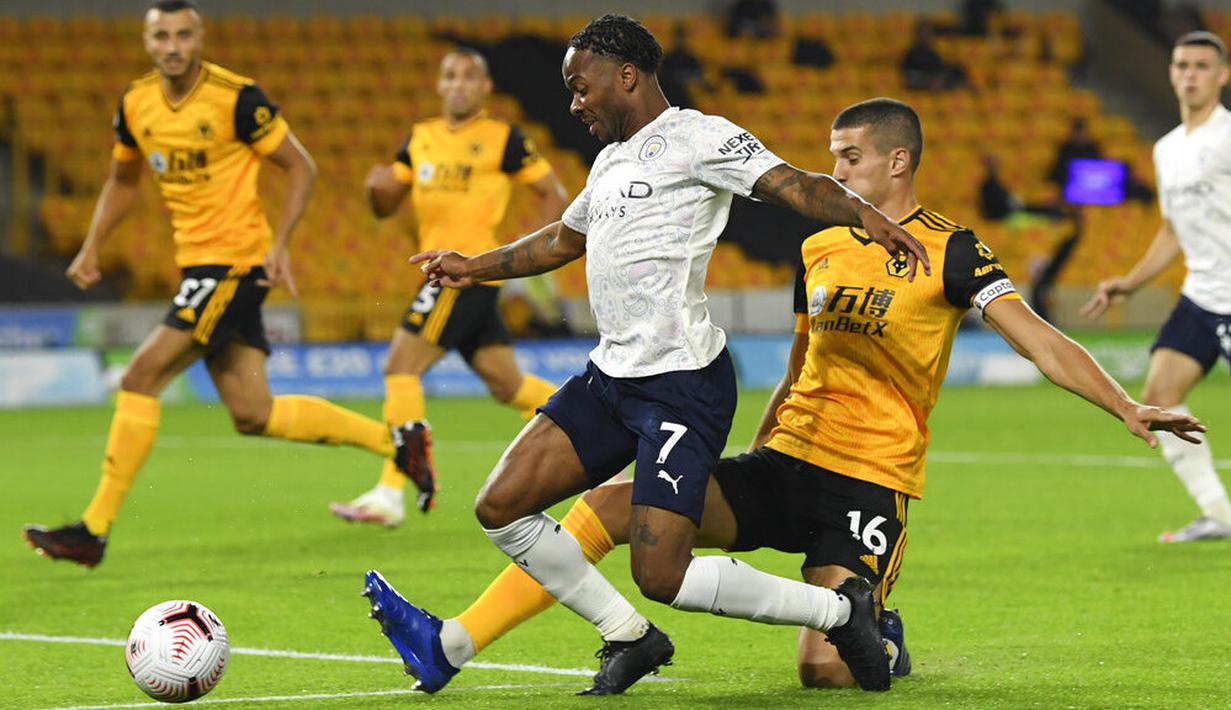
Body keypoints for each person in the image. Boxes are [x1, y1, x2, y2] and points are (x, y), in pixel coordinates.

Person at [356, 97, 1205, 695]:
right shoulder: (823, 245)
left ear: (896, 160)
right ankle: (460, 641)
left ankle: (877, 626)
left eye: (849, 157)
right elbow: (802, 358)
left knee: (820, 671)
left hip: (869, 483)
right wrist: (761, 444)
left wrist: (1125, 405)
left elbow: (1039, 338)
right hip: (784, 461)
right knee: (617, 511)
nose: (831, 169)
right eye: (829, 155)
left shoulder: (951, 251)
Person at [361, 13, 936, 696]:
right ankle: (629, 636)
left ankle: (840, 613)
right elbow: (560, 242)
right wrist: (471, 267)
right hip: (611, 377)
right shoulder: (609, 161)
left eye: (581, 87)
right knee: (501, 505)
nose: (574, 103)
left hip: (680, 384)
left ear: (625, 75)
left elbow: (794, 184)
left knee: (661, 574)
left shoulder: (700, 136)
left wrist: (861, 213)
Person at [21, 1, 418, 568]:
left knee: (140, 375)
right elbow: (122, 180)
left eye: (183, 34)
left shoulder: (237, 98)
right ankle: (398, 445)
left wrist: (280, 244)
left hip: (234, 264)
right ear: (147, 40)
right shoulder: (135, 104)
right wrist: (91, 244)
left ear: (200, 37)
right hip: (198, 267)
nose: (173, 46)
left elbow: (300, 165)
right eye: (162, 35)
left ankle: (94, 528)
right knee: (253, 412)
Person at [328, 48, 568, 527]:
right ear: (439, 85)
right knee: (508, 384)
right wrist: (374, 189)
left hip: (462, 273)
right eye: (450, 75)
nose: (459, 84)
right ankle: (593, 437)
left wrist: (521, 255)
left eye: (469, 77)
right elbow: (384, 203)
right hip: (452, 275)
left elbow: (554, 196)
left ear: (484, 88)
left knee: (400, 367)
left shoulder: (503, 138)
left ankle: (390, 494)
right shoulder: (420, 139)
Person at [1082, 31, 1231, 543]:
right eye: (1181, 65)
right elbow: (1172, 230)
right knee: (1160, 396)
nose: (1189, 74)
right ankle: (1220, 514)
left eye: (1201, 66)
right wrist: (1130, 281)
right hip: (1202, 296)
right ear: (1171, 73)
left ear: (1222, 75)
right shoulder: (1168, 149)